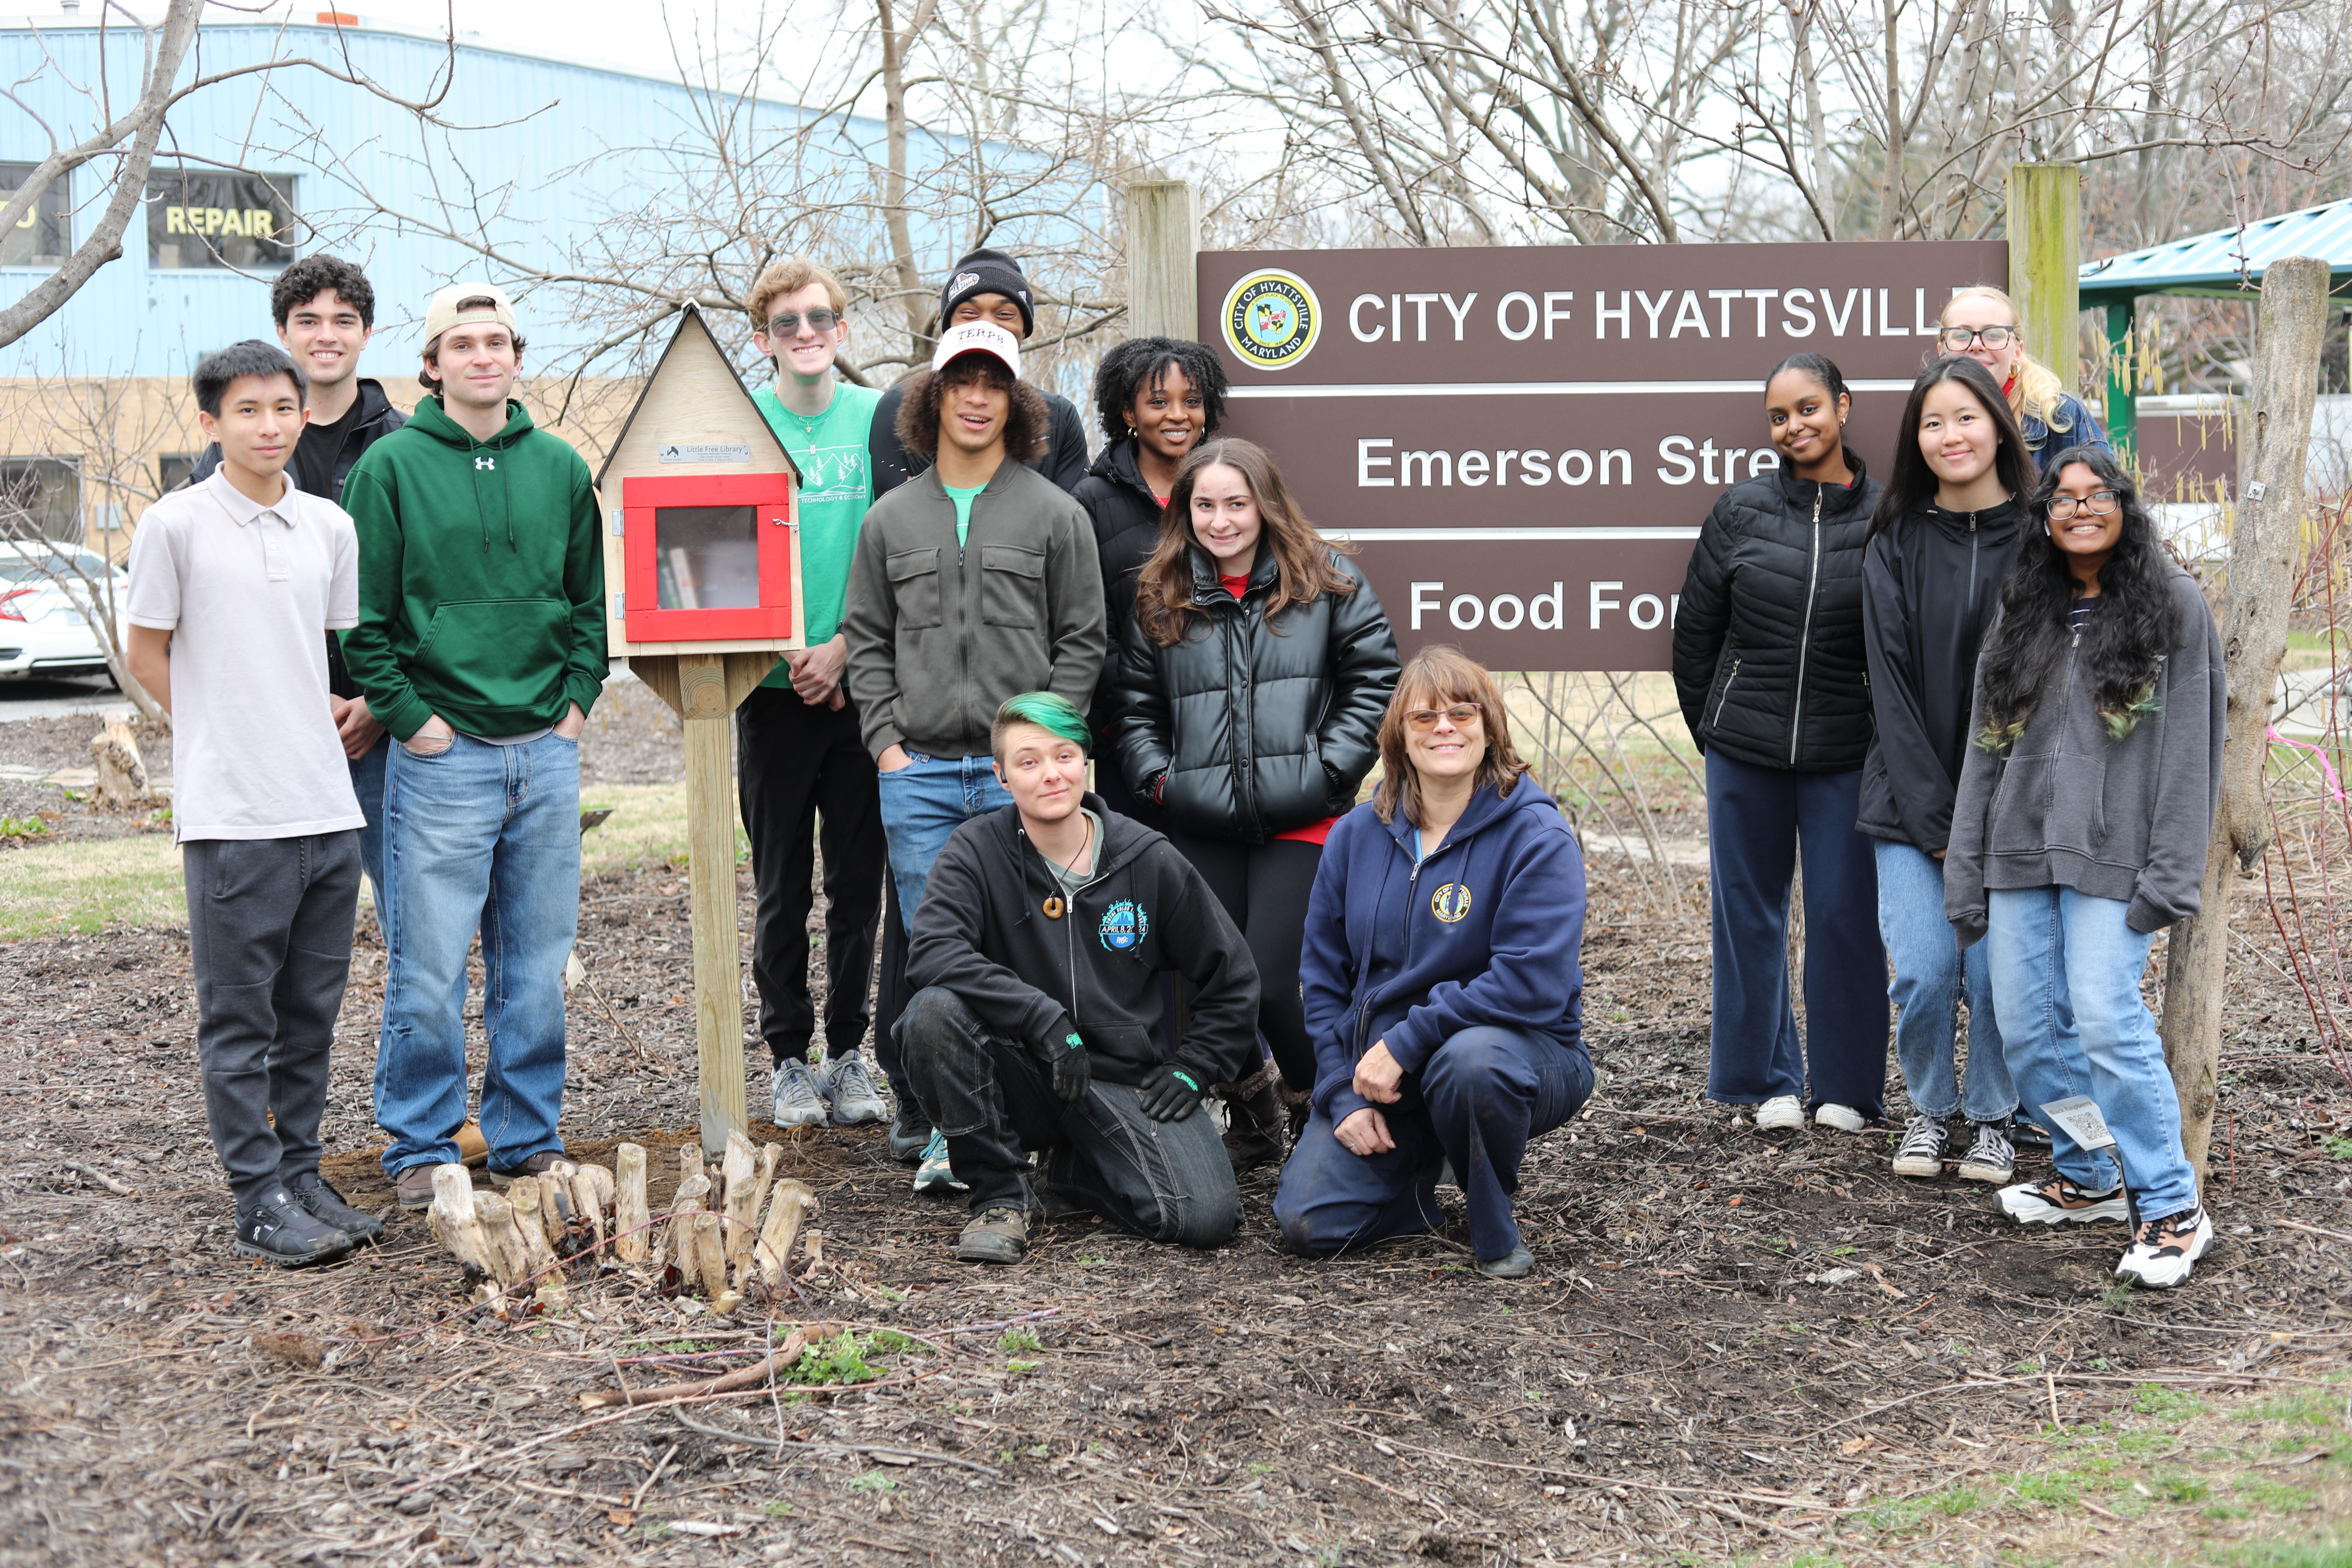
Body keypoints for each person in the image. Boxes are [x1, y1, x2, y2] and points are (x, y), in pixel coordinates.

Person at [340, 284, 606, 1209]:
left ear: (517, 358)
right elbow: (362, 621)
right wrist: (411, 718)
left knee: (535, 962)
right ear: (435, 363)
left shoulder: (562, 469)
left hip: (544, 747)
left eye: (499, 342)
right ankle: (421, 1146)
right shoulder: (391, 468)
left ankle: (527, 1137)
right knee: (430, 961)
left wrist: (574, 706)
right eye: (464, 344)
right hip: (441, 754)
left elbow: (587, 609)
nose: (483, 357)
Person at [124, 340, 379, 1265]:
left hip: (326, 808)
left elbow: (318, 652)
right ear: (211, 423)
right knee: (241, 1017)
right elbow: (148, 648)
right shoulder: (177, 525)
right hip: (235, 817)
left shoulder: (328, 527)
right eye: (247, 411)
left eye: (283, 408)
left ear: (302, 414)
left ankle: (302, 1171)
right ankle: (255, 1197)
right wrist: (215, 733)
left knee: (311, 1012)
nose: (269, 425)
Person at [1945, 446, 2223, 1288]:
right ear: (2044, 518)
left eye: (2095, 495)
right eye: (2061, 500)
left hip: (2120, 861)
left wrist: (2171, 878)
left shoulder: (2173, 604)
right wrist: (1968, 864)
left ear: (2125, 505)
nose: (2078, 509)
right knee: (2029, 1028)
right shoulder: (2025, 608)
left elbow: (2190, 754)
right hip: (2019, 852)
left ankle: (2172, 1206)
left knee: (2105, 1020)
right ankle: (2092, 1172)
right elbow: (1985, 747)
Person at [841, 320, 1106, 1192]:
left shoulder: (1055, 514)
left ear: (1018, 402)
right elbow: (867, 640)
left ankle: (1044, 1121)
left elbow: (1082, 640)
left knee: (1032, 944)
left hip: (1016, 780)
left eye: (995, 383)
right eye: (962, 382)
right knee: (938, 952)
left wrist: (1046, 750)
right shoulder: (891, 520)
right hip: (916, 777)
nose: (978, 398)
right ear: (934, 397)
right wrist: (885, 747)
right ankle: (953, 1133)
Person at [1113, 438, 1399, 1167]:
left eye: (1236, 503)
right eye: (1204, 504)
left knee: (1273, 979)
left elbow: (1374, 682)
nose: (1221, 520)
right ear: (1185, 512)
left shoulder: (1328, 583)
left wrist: (1328, 770)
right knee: (1201, 971)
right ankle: (1253, 1105)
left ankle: (1316, 1105)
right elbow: (1135, 707)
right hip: (1202, 814)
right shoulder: (1161, 591)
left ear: (1264, 505)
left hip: (1304, 815)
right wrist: (1161, 781)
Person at [899, 692, 1261, 1264]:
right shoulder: (977, 851)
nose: (1050, 775)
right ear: (1002, 775)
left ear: (1085, 762)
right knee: (931, 1014)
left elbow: (1232, 976)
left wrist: (1196, 1069)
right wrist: (1040, 1016)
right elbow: (933, 951)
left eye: (1064, 756)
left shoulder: (1147, 858)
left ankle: (1075, 1173)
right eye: (1028, 761)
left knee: (1207, 1219)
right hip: (1017, 1072)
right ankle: (1000, 1195)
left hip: (1121, 1078)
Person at [1274, 648, 1591, 1279]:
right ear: (1399, 737)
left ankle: (1490, 1217)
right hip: (1383, 1076)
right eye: (1424, 718)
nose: (1444, 727)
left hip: (1519, 1055)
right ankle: (1418, 1171)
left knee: (1470, 1064)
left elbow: (1532, 981)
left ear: (1489, 727)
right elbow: (1322, 977)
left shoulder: (1537, 835)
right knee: (1310, 1224)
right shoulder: (1356, 836)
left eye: (1461, 713)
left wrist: (1408, 1040)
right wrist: (1341, 1090)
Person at [1673, 353, 1887, 1135]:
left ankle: (1847, 1087)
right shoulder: (1740, 510)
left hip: (1847, 754)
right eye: (1778, 415)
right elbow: (1694, 633)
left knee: (1843, 915)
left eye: (1808, 408)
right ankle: (1762, 1080)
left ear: (1843, 406)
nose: (1795, 425)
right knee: (1749, 913)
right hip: (1745, 753)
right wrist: (1717, 726)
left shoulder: (1886, 518)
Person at [1862, 356, 2034, 1187]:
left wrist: (1991, 815)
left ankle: (1996, 1119)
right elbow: (1889, 689)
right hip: (1908, 804)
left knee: (1998, 977)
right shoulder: (1895, 539)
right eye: (1932, 423)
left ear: (1997, 427)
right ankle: (1930, 1109)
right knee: (1927, 973)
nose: (1950, 435)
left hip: (2018, 808)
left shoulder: (2042, 537)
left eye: (1965, 417)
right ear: (1915, 440)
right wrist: (1938, 826)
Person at [187, 255, 407, 904]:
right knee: (274, 925)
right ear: (283, 332)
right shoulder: (228, 458)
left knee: (411, 916)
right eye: (307, 320)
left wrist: (379, 703)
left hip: (385, 726)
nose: (326, 335)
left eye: (344, 320)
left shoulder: (408, 446)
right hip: (274, 734)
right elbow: (210, 597)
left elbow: (430, 590)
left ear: (368, 333)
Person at [734, 257, 892, 1137]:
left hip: (862, 682)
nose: (805, 333)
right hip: (770, 686)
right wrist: (786, 648)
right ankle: (789, 1058)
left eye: (819, 318)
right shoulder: (740, 422)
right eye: (787, 322)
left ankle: (847, 1052)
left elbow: (901, 547)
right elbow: (707, 543)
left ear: (842, 330)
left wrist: (840, 648)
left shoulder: (879, 421)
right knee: (781, 883)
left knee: (860, 882)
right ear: (763, 338)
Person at [1072, 335, 1230, 826]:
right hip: (1131, 736)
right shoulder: (1090, 502)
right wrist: (1141, 704)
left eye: (1192, 401)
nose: (1178, 415)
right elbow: (1088, 625)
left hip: (1223, 732)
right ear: (1128, 412)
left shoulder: (1230, 490)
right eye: (1158, 402)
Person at [869, 248, 1091, 497]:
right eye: (969, 314)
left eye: (1005, 315)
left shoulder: (1058, 418)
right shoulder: (897, 408)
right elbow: (896, 520)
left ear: (1024, 331)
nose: (986, 326)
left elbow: (1071, 524)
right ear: (947, 325)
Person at [1936, 286, 2111, 469]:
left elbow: (2104, 495)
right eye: (1962, 335)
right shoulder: (1924, 418)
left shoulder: (2063, 417)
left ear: (2018, 352)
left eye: (1994, 334)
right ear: (1942, 351)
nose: (1977, 345)